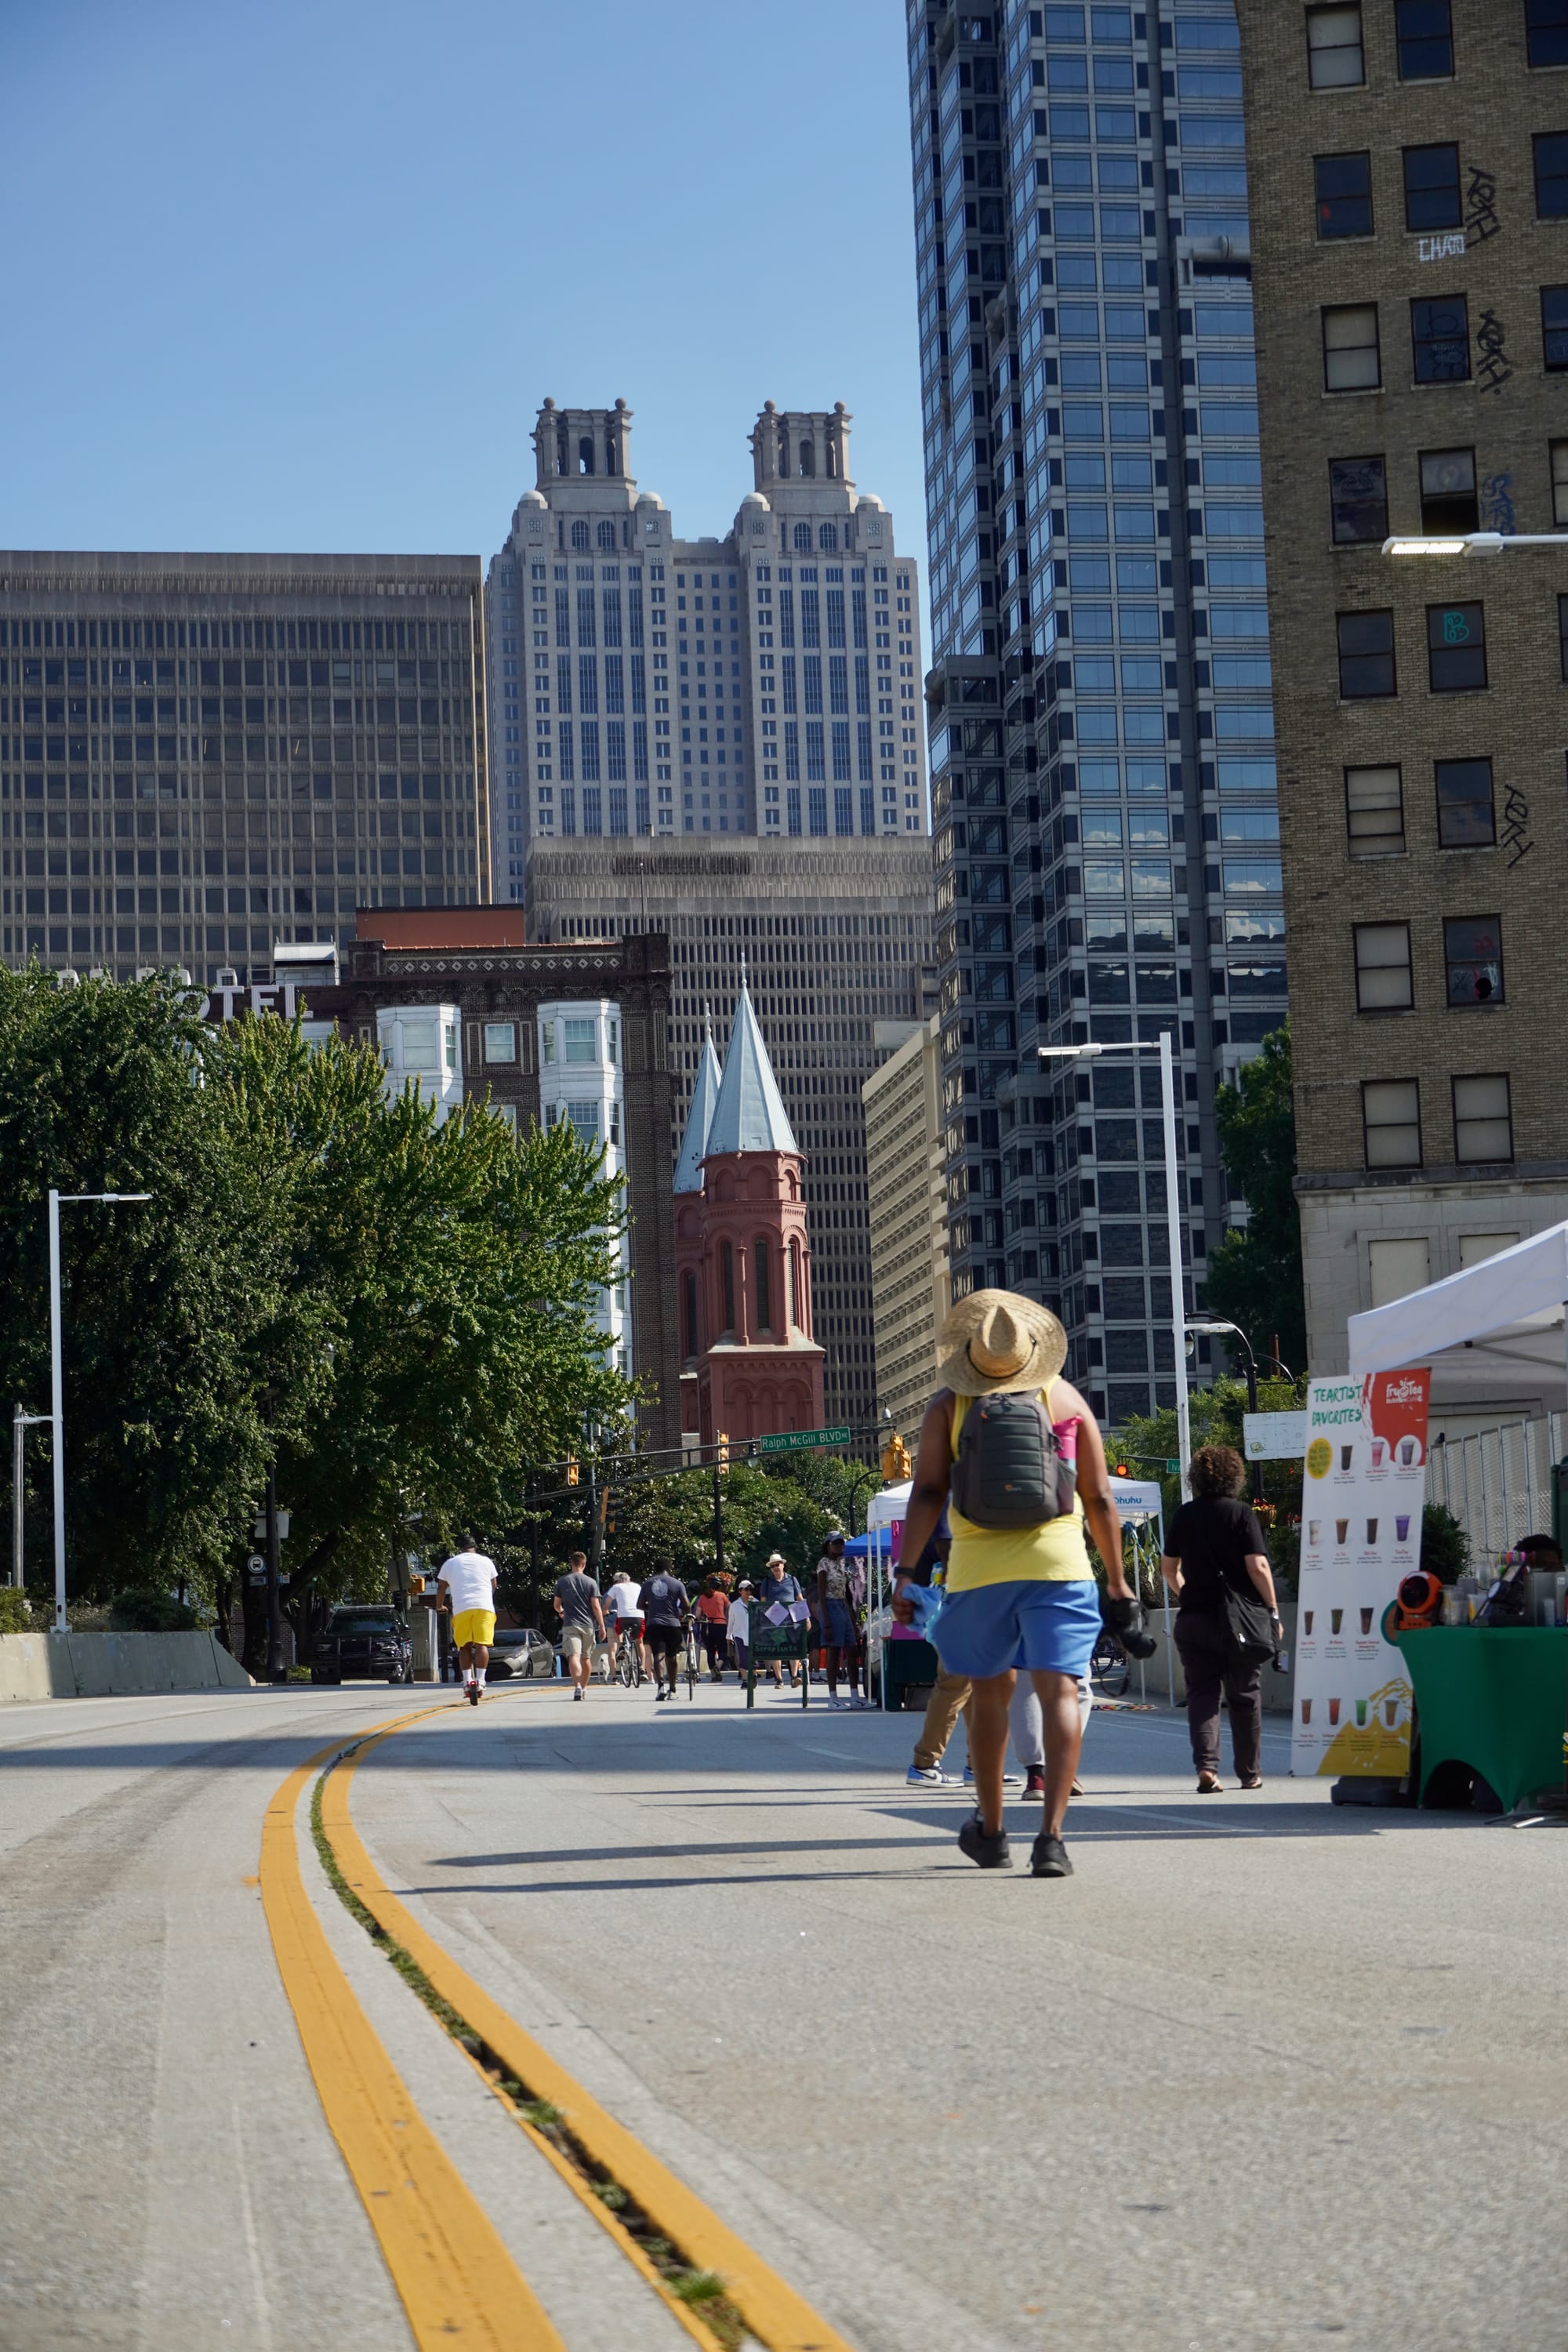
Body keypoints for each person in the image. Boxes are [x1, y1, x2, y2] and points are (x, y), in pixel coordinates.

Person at [894, 1290, 1140, 1878]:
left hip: (978, 1573)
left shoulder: (949, 1406)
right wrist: (1118, 1582)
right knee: (1060, 1694)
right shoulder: (1066, 1399)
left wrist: (905, 1574)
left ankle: (993, 1831)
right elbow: (1099, 1497)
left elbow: (927, 1492)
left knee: (990, 1696)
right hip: (1060, 1568)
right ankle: (1051, 1839)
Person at [1160, 1444, 1279, 1792]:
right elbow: (1257, 1566)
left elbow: (1168, 1569)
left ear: (1195, 1478)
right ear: (1234, 1477)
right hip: (1239, 1622)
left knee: (1202, 1694)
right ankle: (1249, 1773)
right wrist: (1272, 1610)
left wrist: (1188, 1592)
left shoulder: (1184, 1515)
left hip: (1194, 1619)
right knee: (1245, 1695)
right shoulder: (1241, 1514)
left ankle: (1207, 1768)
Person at [437, 1535, 498, 1708]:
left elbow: (441, 1587)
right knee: (481, 1644)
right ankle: (481, 1681)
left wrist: (440, 1606)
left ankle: (467, 1682)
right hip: (484, 1607)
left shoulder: (450, 1563)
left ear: (460, 1548)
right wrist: (486, 1597)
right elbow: (493, 1585)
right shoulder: (486, 1562)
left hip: (462, 1608)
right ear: (475, 1547)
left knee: (464, 1646)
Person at [816, 1531, 864, 1708]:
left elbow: (844, 1594)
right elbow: (821, 1595)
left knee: (852, 1650)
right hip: (829, 1605)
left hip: (842, 1606)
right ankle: (833, 1698)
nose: (840, 1546)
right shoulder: (824, 1564)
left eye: (841, 1543)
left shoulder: (841, 1564)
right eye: (836, 1543)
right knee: (833, 1650)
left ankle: (855, 1696)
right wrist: (826, 1622)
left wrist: (852, 1619)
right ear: (828, 1545)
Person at [553, 1550, 606, 1702]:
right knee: (586, 1658)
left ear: (571, 1563)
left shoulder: (563, 1581)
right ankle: (583, 1687)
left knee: (573, 1656)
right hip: (588, 1625)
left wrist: (561, 1612)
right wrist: (602, 1626)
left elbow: (556, 1605)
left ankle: (577, 1687)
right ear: (584, 1564)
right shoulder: (591, 1582)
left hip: (570, 1624)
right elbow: (596, 1606)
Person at [640, 1557, 691, 1700]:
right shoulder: (677, 1583)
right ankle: (673, 1690)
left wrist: (652, 1607)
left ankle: (661, 1686)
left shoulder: (647, 1583)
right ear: (669, 1568)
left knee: (658, 1654)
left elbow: (639, 1605)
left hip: (654, 1623)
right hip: (673, 1624)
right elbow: (686, 1604)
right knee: (671, 1657)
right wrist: (686, 1614)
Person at [757, 1552, 804, 1690]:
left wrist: (806, 1618)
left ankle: (794, 1677)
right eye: (772, 1566)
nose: (775, 1568)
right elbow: (763, 1602)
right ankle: (779, 1679)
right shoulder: (767, 1582)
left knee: (793, 1647)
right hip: (774, 1619)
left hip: (791, 1618)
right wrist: (763, 1621)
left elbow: (799, 1599)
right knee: (776, 1649)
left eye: (777, 1565)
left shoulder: (792, 1580)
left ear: (783, 1565)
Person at [603, 1566, 646, 1679]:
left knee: (613, 1646)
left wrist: (605, 1613)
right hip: (638, 1616)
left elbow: (606, 1606)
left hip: (619, 1619)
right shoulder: (637, 1587)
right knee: (640, 1642)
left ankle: (614, 1675)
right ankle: (643, 1668)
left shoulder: (613, 1589)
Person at [695, 1576, 729, 1682]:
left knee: (710, 1651)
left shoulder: (702, 1597)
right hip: (720, 1625)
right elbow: (730, 1608)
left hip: (707, 1626)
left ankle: (714, 1676)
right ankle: (718, 1666)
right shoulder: (722, 1596)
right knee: (723, 1650)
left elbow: (697, 1615)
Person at [727, 1577, 754, 1682]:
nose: (748, 1592)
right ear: (740, 1591)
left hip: (753, 1635)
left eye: (750, 1589)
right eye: (746, 1589)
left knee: (753, 1660)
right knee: (743, 1658)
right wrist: (729, 1636)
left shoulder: (755, 1603)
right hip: (739, 1635)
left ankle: (753, 1677)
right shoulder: (735, 1605)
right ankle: (745, 1681)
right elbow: (731, 1621)